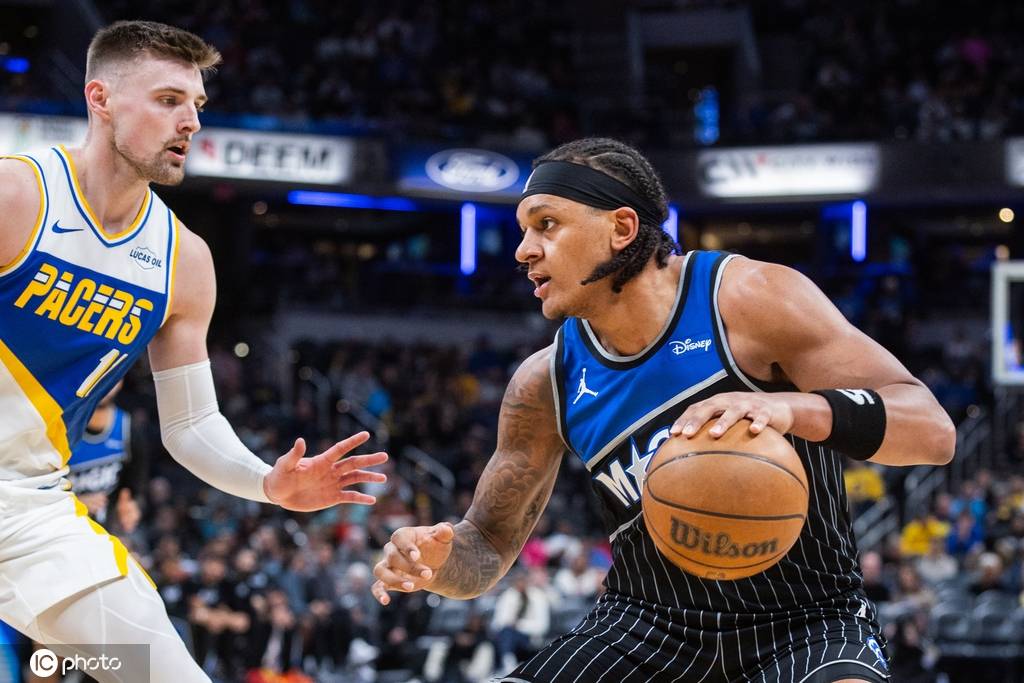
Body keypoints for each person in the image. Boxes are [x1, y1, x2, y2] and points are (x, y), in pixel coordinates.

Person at [371, 137, 955, 682]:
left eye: (546, 224)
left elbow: (932, 431)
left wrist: (790, 409)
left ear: (622, 228)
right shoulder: (544, 381)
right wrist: (436, 562)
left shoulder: (748, 299)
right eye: (524, 231)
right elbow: (487, 544)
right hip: (644, 629)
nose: (523, 250)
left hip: (807, 622)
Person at [0, 20, 387, 682]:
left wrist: (266, 481)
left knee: (162, 671)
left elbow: (191, 424)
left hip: (30, 515)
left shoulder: (183, 260)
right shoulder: (16, 196)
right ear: (100, 99)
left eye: (197, 104)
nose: (190, 121)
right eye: (168, 100)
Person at [65, 380, 146, 534]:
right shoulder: (64, 428)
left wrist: (131, 506)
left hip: (105, 528)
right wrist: (74, 503)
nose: (105, 383)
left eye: (111, 375)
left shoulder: (128, 427)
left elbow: (136, 485)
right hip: (63, 526)